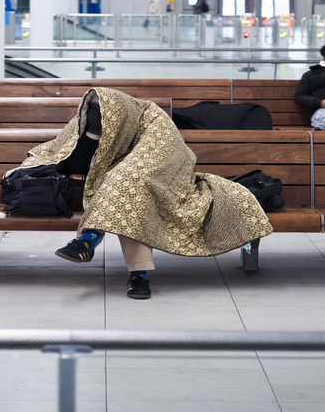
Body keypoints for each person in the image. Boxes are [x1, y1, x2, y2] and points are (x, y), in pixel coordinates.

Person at [38, 88, 272, 300]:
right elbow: (75, 164)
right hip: (118, 187)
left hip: (162, 181)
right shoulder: (89, 119)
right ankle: (137, 275)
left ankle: (89, 240)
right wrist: (93, 135)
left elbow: (164, 159)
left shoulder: (153, 119)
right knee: (126, 189)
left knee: (130, 186)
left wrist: (126, 174)